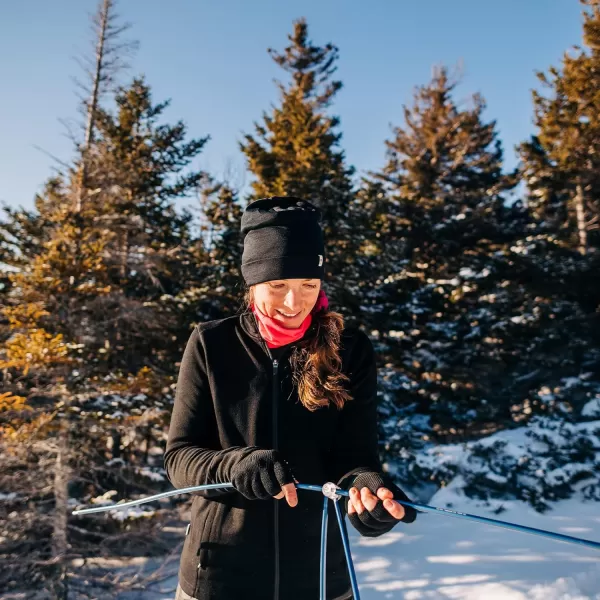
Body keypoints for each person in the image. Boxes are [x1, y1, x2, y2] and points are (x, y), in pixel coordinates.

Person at [164, 196, 417, 600]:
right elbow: (179, 459)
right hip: (220, 579)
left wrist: (367, 489)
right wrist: (236, 465)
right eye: (277, 285)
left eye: (308, 286)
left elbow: (354, 456)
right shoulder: (212, 343)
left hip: (319, 578)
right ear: (251, 282)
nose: (293, 303)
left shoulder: (349, 349)